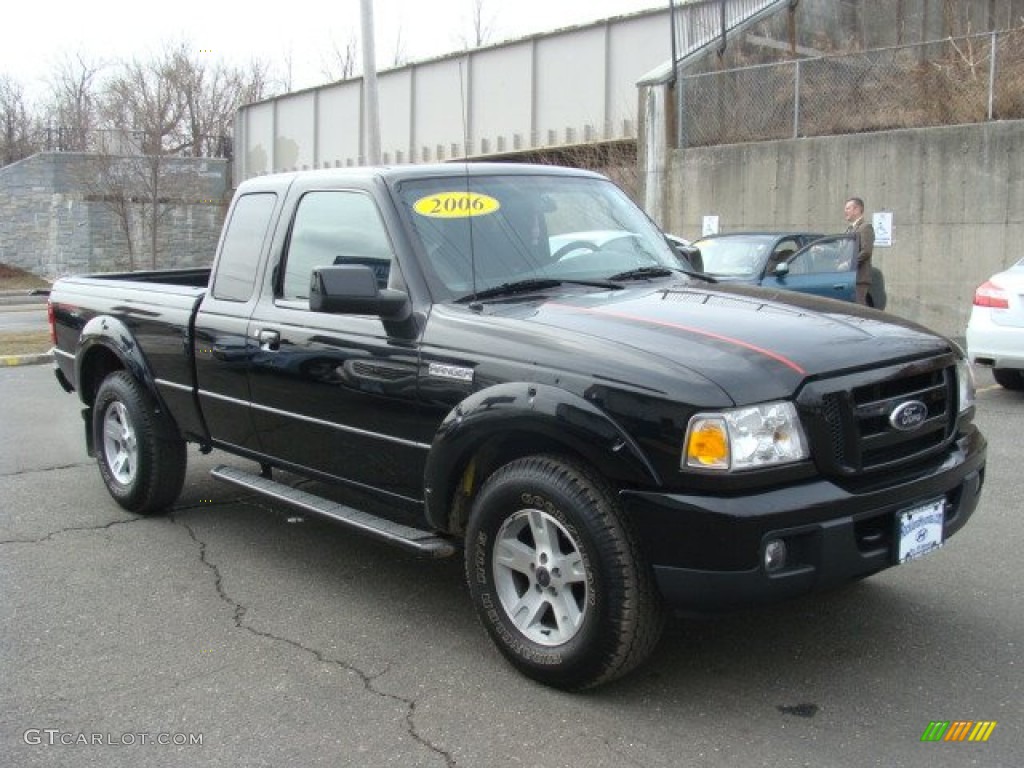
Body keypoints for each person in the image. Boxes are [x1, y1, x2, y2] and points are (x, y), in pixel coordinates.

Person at [843, 196, 875, 305]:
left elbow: (866, 252)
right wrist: (823, 250)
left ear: (857, 209)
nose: (845, 211)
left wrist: (848, 264)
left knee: (859, 309)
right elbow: (841, 249)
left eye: (848, 208)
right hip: (848, 277)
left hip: (859, 278)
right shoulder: (849, 229)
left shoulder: (865, 227)